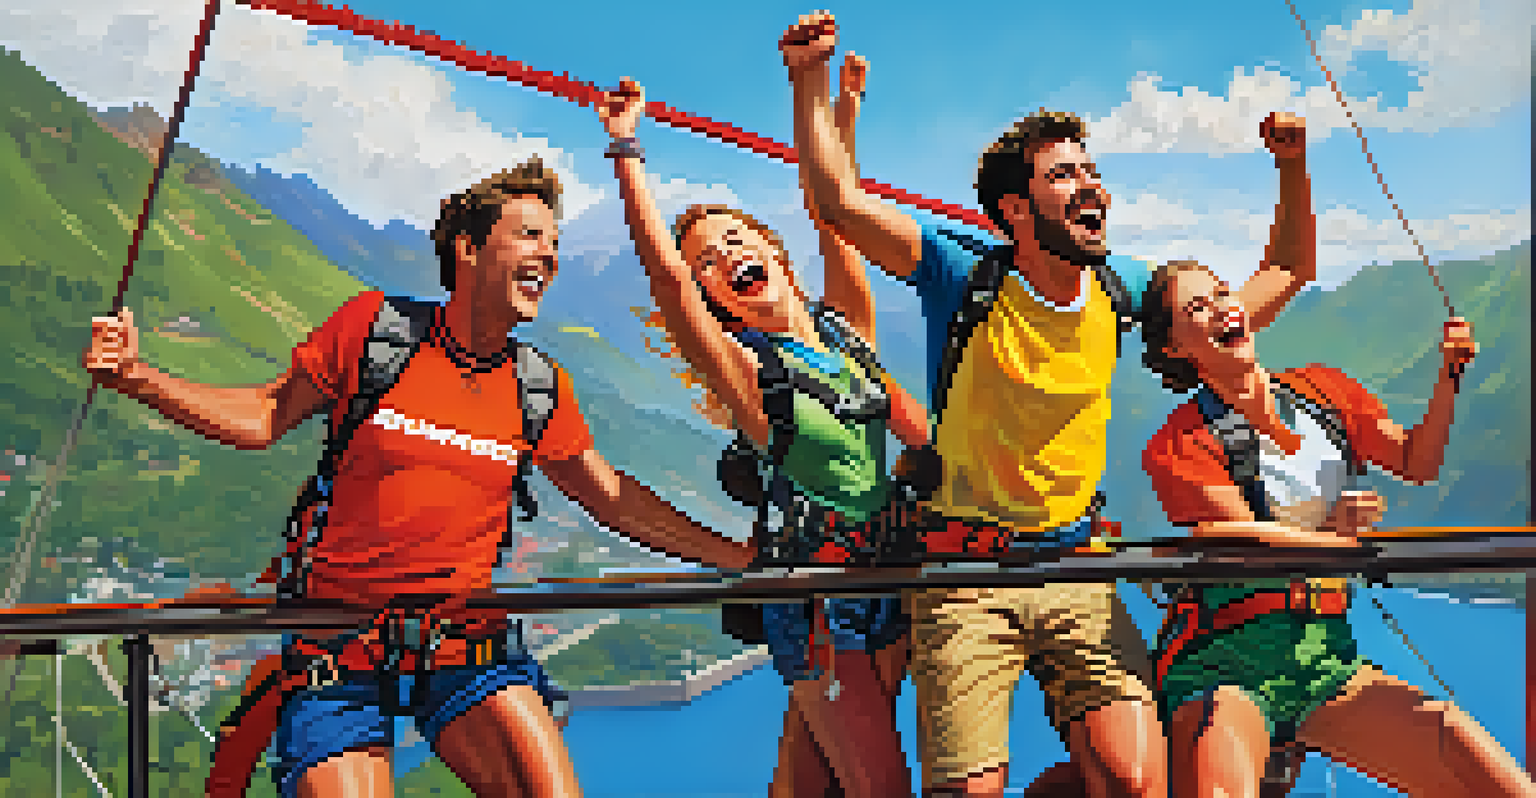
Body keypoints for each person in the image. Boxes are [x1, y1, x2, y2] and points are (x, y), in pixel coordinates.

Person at [83, 157, 754, 798]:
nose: (549, 257)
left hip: (463, 645)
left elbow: (612, 497)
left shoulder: (538, 386)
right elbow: (265, 414)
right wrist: (137, 379)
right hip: (337, 648)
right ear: (468, 249)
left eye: (555, 244)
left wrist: (741, 559)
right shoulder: (377, 332)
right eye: (528, 236)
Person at [780, 11, 1324, 797]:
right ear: (1015, 211)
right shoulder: (961, 276)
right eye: (1063, 175)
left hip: (1078, 567)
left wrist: (1293, 166)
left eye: (1089, 170)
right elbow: (836, 201)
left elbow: (1282, 271)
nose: (1091, 184)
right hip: (963, 578)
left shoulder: (1121, 287)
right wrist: (808, 78)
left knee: (1139, 783)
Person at [594, 53, 928, 797]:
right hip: (815, 602)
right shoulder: (751, 374)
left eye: (736, 240)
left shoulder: (846, 337)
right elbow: (667, 283)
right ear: (714, 297)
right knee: (882, 787)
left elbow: (834, 211)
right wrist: (625, 150)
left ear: (775, 252)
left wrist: (843, 114)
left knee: (806, 786)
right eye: (708, 261)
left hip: (887, 579)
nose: (725, 257)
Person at [1138, 258, 1535, 798]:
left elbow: (1416, 461)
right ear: (1175, 350)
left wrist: (1450, 376)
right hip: (1224, 658)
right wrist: (1332, 534)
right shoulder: (1178, 442)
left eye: (1221, 293)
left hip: (1323, 656)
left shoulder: (1323, 394)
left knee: (1476, 763)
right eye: (1195, 308)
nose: (1219, 308)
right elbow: (1233, 539)